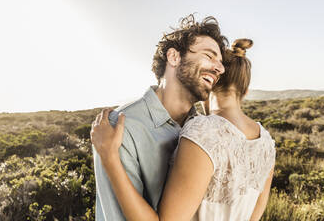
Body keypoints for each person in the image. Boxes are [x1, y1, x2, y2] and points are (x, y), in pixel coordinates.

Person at [91, 39, 276, 221]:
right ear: (245, 92)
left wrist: (110, 158)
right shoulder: (266, 143)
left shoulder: (203, 131)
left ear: (210, 83)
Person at [92, 14, 228, 220]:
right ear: (174, 57)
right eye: (209, 56)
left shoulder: (203, 130)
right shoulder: (122, 126)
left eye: (220, 62)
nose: (220, 68)